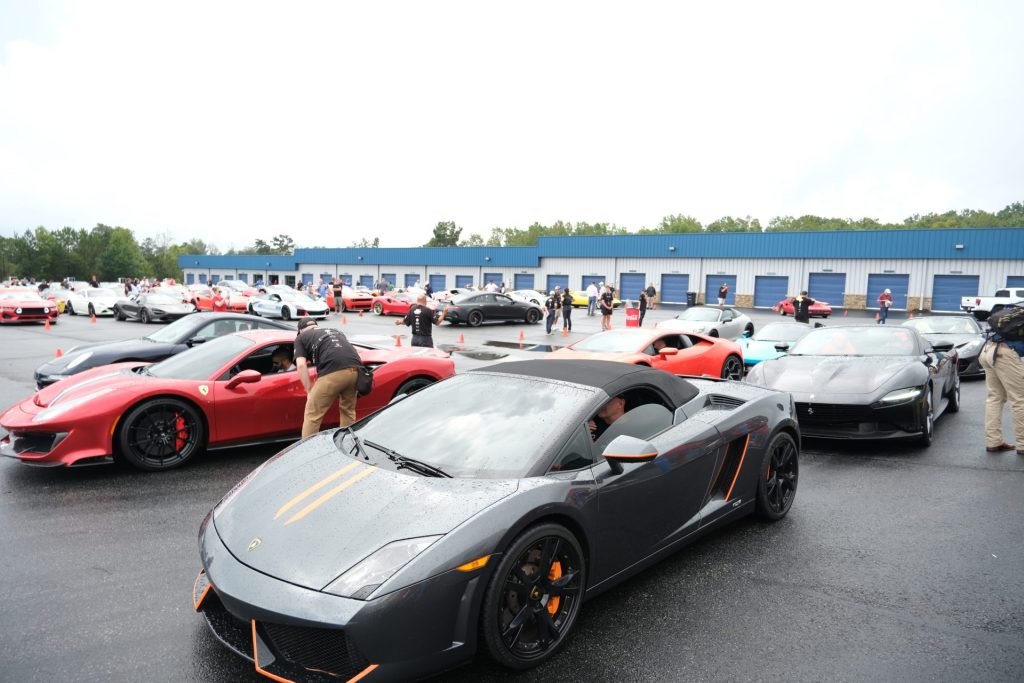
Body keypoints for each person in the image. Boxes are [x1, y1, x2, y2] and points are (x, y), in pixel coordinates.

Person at [294, 317, 363, 437]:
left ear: (300, 330)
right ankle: (348, 446)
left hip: (332, 371)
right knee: (348, 412)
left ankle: (306, 451)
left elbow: (300, 365)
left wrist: (309, 391)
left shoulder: (301, 337)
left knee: (313, 415)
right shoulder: (336, 331)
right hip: (356, 370)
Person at [979, 311, 1024, 454]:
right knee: (1020, 400)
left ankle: (993, 442)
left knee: (995, 398)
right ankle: (1023, 444)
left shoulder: (1016, 312)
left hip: (989, 350)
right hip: (1005, 354)